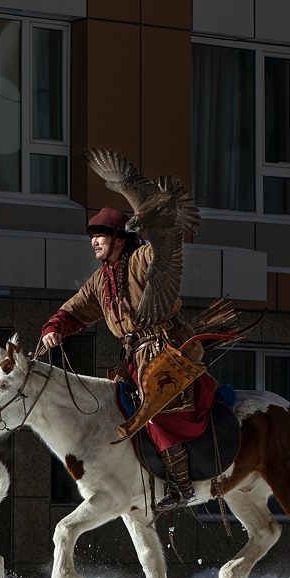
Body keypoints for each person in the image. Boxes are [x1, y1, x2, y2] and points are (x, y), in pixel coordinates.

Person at [40, 207, 215, 512]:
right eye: (93, 236)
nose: (95, 241)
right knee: (115, 410)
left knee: (152, 411)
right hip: (135, 360)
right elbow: (75, 310)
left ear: (120, 239)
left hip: (167, 351)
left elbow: (165, 249)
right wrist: (54, 328)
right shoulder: (100, 280)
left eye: (101, 235)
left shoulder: (142, 259)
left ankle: (182, 485)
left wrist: (158, 217)